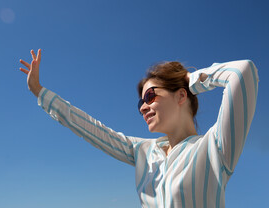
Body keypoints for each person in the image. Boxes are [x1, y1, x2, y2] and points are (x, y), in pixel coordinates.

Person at [19, 49, 259, 208]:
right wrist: (40, 92)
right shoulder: (143, 151)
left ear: (181, 96)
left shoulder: (215, 147)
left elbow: (242, 72)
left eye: (151, 96)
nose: (143, 107)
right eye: (140, 102)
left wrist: (190, 80)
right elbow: (91, 129)